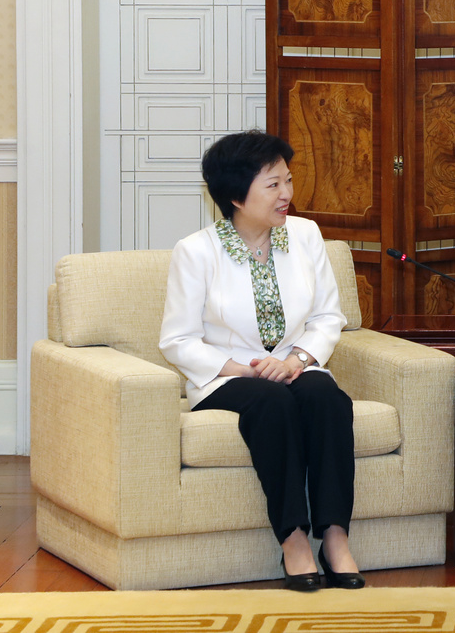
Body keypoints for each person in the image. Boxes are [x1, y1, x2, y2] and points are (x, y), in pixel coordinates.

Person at [158, 130, 365, 591]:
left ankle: (335, 535)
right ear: (236, 195)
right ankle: (293, 538)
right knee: (273, 404)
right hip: (226, 377)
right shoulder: (196, 252)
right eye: (273, 184)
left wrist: (296, 361)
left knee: (327, 397)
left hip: (295, 365)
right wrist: (247, 369)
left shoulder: (306, 235)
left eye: (287, 180)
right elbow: (178, 340)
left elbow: (328, 317)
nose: (286, 193)